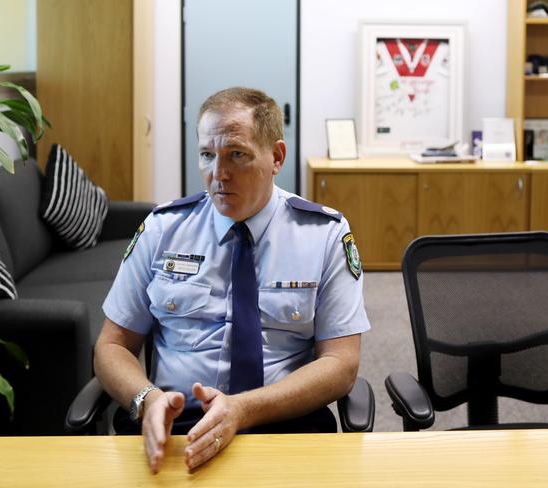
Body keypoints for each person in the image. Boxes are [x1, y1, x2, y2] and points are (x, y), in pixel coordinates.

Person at [94, 87, 370, 473]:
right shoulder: (163, 229)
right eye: (208, 155)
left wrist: (242, 409)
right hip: (176, 429)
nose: (218, 174)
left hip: (286, 427)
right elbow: (112, 345)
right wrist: (147, 399)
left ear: (276, 157)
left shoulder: (323, 233)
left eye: (236, 155)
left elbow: (342, 363)